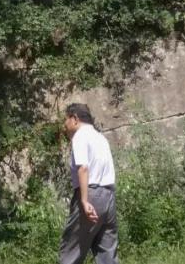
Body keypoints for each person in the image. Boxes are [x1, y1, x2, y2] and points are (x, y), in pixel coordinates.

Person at [59, 102, 118, 264]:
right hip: (109, 197)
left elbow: (83, 168)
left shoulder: (80, 136)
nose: (65, 125)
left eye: (66, 120)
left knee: (71, 251)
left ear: (75, 119)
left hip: (91, 195)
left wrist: (84, 200)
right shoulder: (101, 138)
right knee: (107, 252)